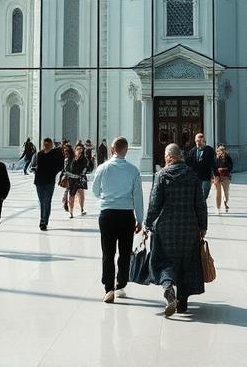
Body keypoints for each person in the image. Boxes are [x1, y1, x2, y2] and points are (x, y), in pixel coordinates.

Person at [145, 144, 208, 317]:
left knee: (165, 260)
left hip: (166, 228)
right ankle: (182, 303)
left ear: (169, 157)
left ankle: (168, 289)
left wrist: (148, 223)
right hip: (189, 227)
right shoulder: (192, 176)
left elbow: (154, 203)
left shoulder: (161, 176)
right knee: (186, 262)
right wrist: (203, 226)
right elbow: (200, 204)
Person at [91, 136, 144, 302]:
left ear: (112, 149)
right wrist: (140, 219)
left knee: (108, 252)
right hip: (126, 215)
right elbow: (138, 197)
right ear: (126, 150)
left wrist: (105, 197)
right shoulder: (133, 170)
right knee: (124, 252)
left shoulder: (103, 168)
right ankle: (120, 285)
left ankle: (108, 289)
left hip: (107, 214)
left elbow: (94, 190)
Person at [33, 137, 65, 230]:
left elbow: (60, 164)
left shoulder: (55, 154)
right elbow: (38, 166)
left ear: (51, 145)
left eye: (48, 145)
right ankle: (43, 219)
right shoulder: (40, 154)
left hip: (49, 182)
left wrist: (53, 173)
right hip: (39, 181)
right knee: (42, 202)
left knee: (47, 201)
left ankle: (43, 221)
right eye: (45, 145)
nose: (46, 146)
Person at [184, 133, 216, 201]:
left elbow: (213, 163)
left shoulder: (209, 150)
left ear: (204, 141)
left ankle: (202, 208)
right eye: (197, 141)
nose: (198, 143)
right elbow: (188, 163)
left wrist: (215, 175)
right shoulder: (192, 151)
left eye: (200, 141)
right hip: (195, 177)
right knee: (196, 196)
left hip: (206, 177)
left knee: (204, 196)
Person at [64, 143, 89, 218]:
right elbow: (66, 169)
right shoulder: (70, 159)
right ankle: (71, 212)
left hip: (80, 180)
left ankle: (81, 209)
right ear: (75, 150)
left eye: (81, 149)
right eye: (78, 149)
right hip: (71, 180)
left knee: (81, 195)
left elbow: (85, 169)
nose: (79, 151)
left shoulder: (84, 159)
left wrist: (81, 175)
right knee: (71, 196)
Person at [213, 145, 233, 212]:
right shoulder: (215, 159)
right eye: (219, 151)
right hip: (217, 177)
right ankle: (218, 208)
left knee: (226, 193)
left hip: (225, 177)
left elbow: (230, 167)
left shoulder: (228, 158)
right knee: (218, 193)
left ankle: (225, 202)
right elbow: (213, 168)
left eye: (222, 151)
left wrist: (223, 168)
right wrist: (215, 176)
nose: (220, 153)